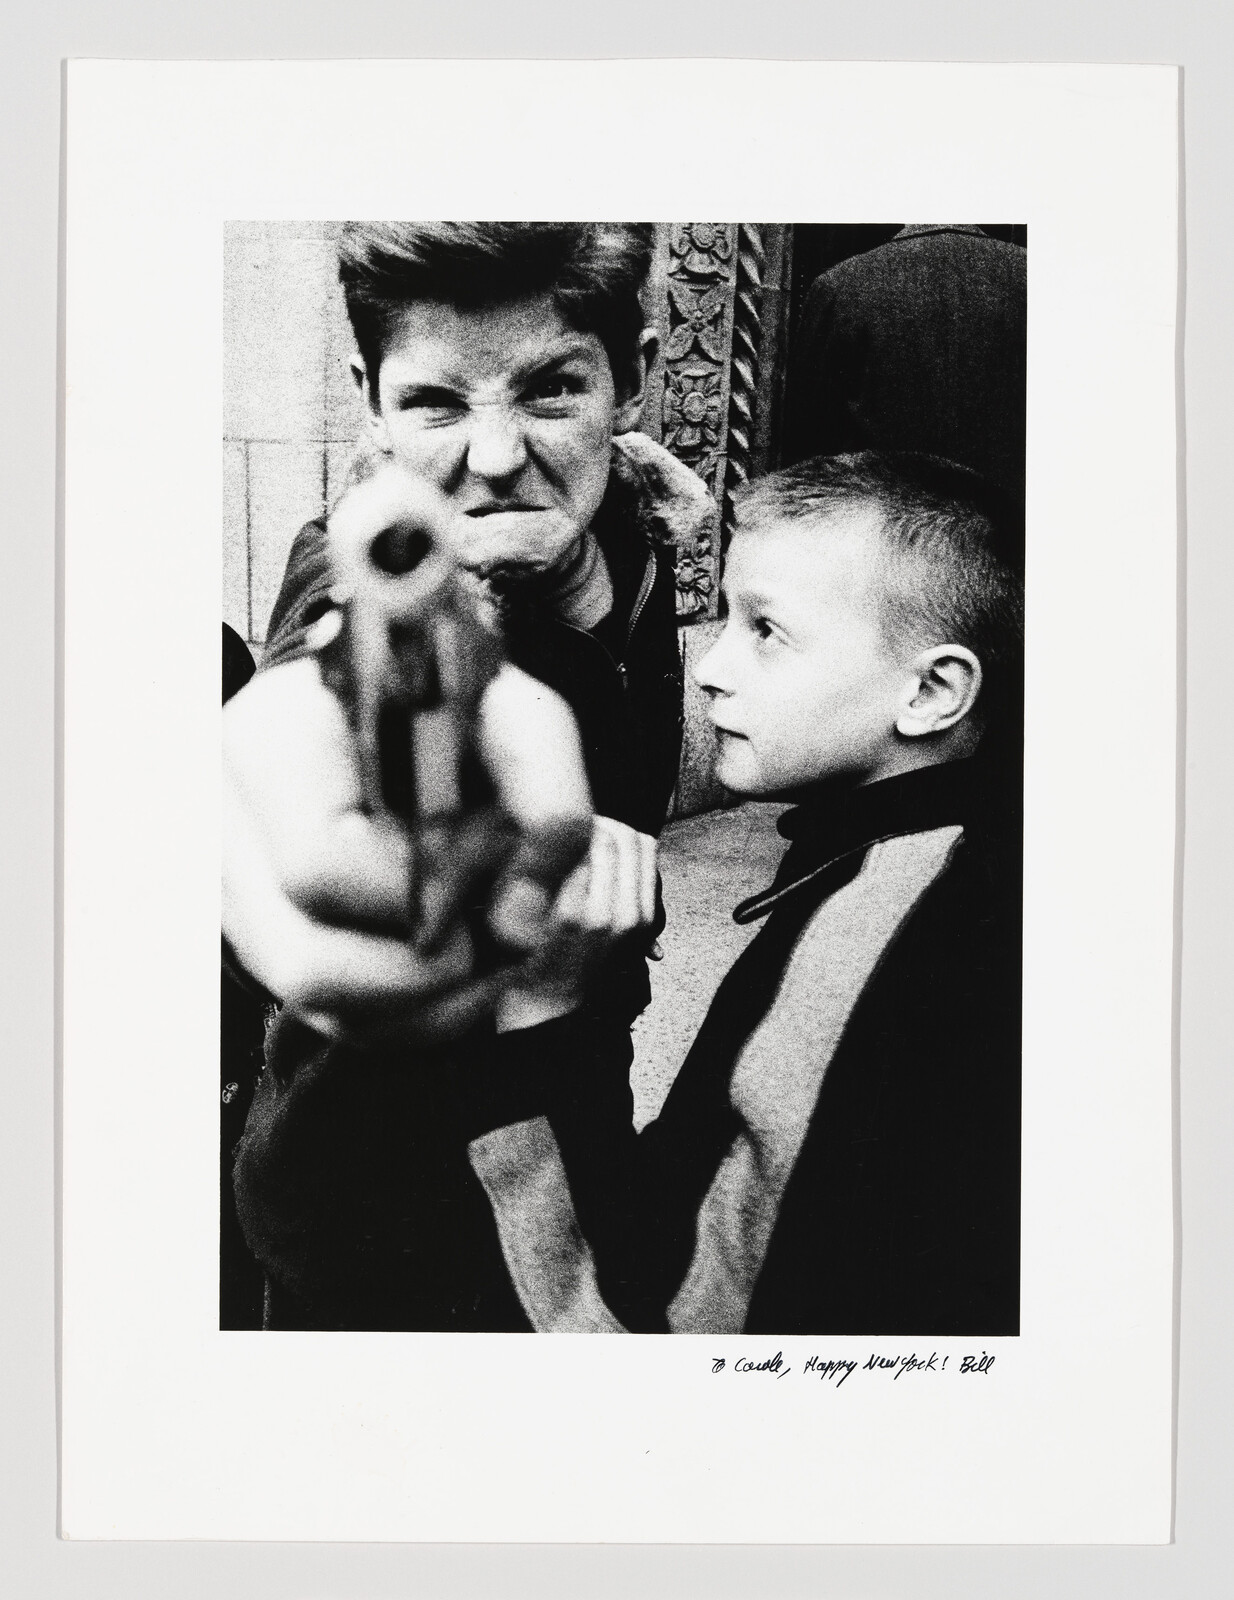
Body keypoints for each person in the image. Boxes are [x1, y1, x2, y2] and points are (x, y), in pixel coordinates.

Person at [225, 223, 711, 1329]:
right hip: (381, 1195)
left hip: (575, 1086)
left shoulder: (629, 523)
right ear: (370, 399)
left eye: (549, 391)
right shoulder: (370, 580)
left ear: (632, 377)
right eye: (437, 405)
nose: (493, 457)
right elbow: (324, 677)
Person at [461, 451, 1024, 1335]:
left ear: (930, 692)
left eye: (767, 630)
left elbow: (659, 1330)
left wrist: (543, 1012)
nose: (712, 668)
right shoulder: (946, 861)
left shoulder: (875, 934)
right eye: (723, 616)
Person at [782, 225, 1027, 506]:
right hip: (1009, 532)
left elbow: (807, 445)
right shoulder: (1032, 275)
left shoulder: (841, 285)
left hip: (881, 528)